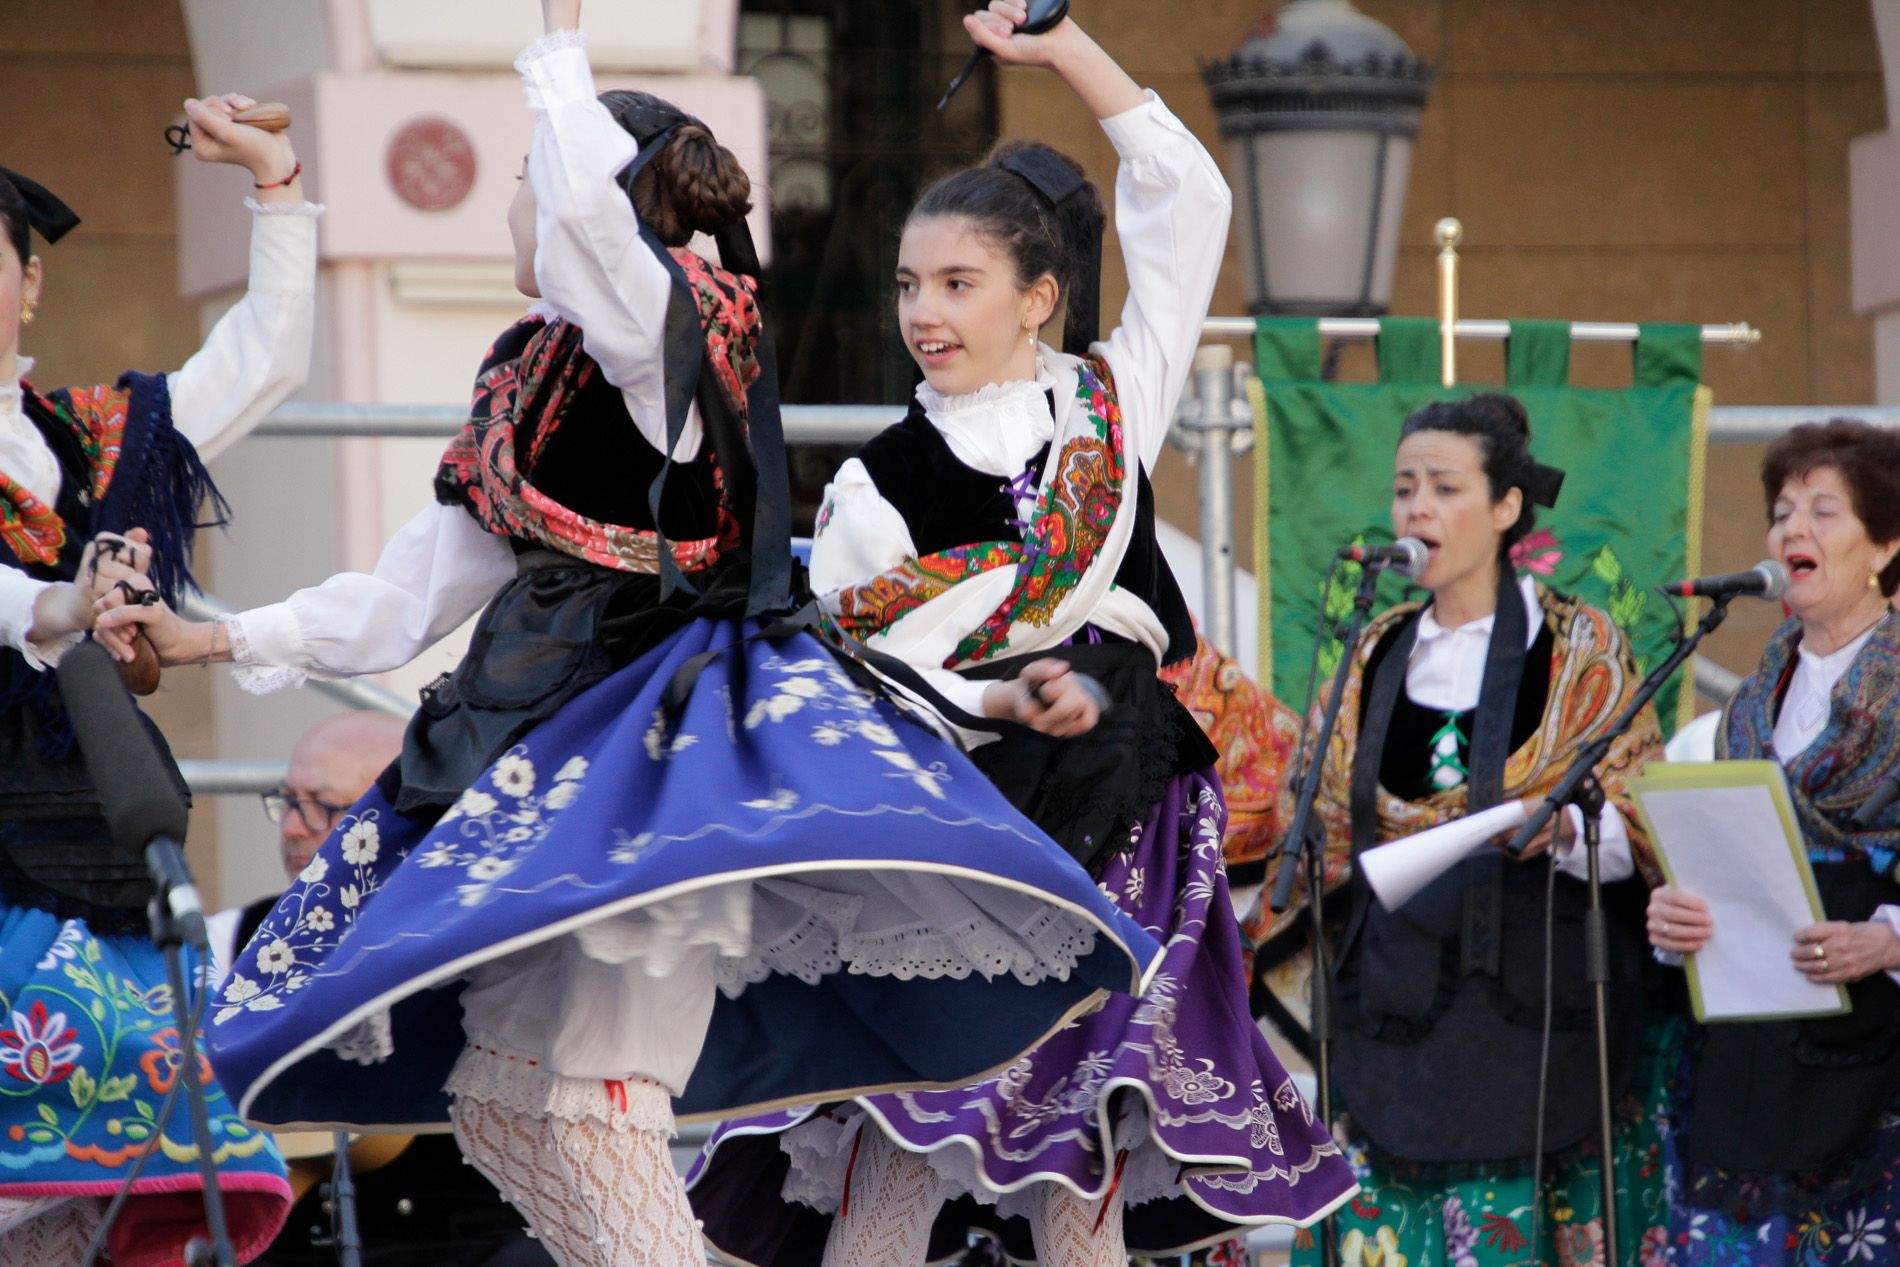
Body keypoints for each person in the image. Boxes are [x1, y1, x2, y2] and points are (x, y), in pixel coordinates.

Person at [104, 2, 1158, 1263]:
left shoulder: (675, 339)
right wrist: (208, 637)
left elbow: (604, 243)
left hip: (664, 754)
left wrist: (555, 46)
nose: (513, 203)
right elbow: (407, 594)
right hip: (539, 739)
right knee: (501, 1104)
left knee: (604, 1100)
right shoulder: (529, 371)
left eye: (529, 182)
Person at [686, 6, 1356, 1264]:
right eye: (907, 286)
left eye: (957, 282)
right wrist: (1001, 701)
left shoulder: (1111, 401)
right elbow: (867, 666)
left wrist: (1064, 51)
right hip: (966, 820)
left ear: (1039, 296)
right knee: (904, 1135)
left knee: (1089, 1135)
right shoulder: (875, 487)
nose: (923, 312)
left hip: (1127, 802)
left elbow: (1184, 196)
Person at [0, 96, 319, 1265]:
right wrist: (54, 604)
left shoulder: (86, 434)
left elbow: (260, 362)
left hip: (85, 816)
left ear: (28, 284)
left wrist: (277, 187)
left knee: (95, 1183)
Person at [1258, 392, 1673, 1267]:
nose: (1416, 508)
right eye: (1405, 488)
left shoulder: (1580, 646)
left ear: (1507, 506)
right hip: (1394, 1006)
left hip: (1534, 1002)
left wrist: (1560, 835)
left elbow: (1637, 818)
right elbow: (1323, 814)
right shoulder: (1375, 648)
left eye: (1443, 487)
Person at [1646, 418, 1900, 1266]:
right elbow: (1724, 850)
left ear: (1886, 543)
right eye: (1783, 511)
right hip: (1753, 1047)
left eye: (1824, 512)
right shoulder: (1752, 703)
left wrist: (1889, 936)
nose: (1794, 529)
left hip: (1878, 1045)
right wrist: (1674, 913)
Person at [205, 711, 551, 1267]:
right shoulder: (229, 940)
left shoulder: (493, 942)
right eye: (288, 801)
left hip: (473, 1245)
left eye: (325, 807)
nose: (293, 826)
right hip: (293, 1242)